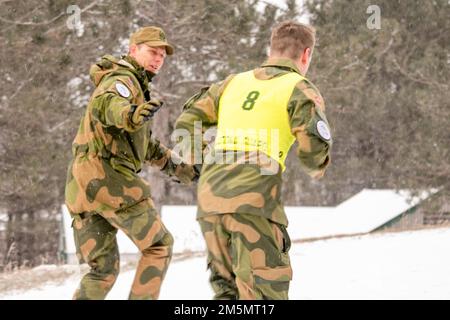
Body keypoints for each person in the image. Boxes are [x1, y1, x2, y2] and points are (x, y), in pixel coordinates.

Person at [175, 21, 332, 299]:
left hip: (211, 201)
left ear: (271, 49)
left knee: (227, 293)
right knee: (263, 293)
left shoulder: (232, 83)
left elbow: (188, 119)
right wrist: (316, 166)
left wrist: (202, 163)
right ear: (306, 55)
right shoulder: (299, 87)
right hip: (254, 201)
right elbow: (313, 146)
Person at [65, 26, 198, 300]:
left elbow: (144, 146)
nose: (158, 58)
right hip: (108, 178)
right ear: (133, 49)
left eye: (162, 54)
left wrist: (183, 170)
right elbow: (108, 105)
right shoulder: (123, 80)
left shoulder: (135, 85)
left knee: (102, 270)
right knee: (159, 245)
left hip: (81, 187)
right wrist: (131, 114)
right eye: (152, 52)